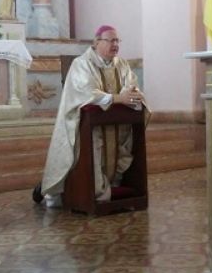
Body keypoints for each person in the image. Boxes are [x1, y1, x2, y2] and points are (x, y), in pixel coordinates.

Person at [36, 25, 146, 207]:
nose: (115, 44)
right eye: (110, 40)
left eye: (117, 40)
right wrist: (119, 98)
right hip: (86, 125)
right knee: (91, 145)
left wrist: (131, 95)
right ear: (96, 42)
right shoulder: (82, 64)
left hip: (115, 124)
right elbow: (86, 92)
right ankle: (83, 191)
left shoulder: (122, 64)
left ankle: (113, 184)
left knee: (126, 140)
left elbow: (131, 86)